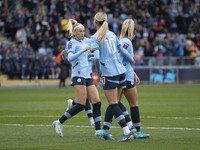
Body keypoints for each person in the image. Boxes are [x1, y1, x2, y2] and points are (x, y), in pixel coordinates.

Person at [52, 19, 101, 137]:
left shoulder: (84, 42)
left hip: (87, 75)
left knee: (97, 102)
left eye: (83, 31)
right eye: (80, 31)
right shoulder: (71, 43)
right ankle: (59, 122)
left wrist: (91, 56)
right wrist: (83, 51)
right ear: (74, 32)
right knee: (81, 105)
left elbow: (85, 59)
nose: (82, 33)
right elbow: (70, 58)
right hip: (78, 75)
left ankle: (98, 131)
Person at [91, 12, 134, 142]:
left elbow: (97, 57)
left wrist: (98, 71)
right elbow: (122, 50)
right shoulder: (112, 35)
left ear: (95, 22)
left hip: (109, 73)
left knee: (113, 103)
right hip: (121, 72)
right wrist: (131, 59)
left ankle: (126, 131)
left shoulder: (95, 37)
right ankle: (123, 128)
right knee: (115, 102)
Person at [119, 19, 150, 139]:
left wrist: (134, 73)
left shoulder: (122, 41)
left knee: (116, 103)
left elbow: (124, 62)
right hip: (125, 76)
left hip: (125, 74)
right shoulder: (126, 42)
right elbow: (121, 60)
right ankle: (135, 130)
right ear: (134, 32)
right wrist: (130, 73)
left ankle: (129, 127)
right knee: (132, 104)